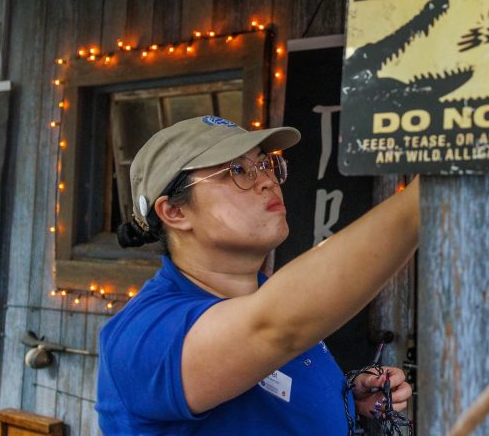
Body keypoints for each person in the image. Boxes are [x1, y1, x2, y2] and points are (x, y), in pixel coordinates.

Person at [96, 115, 418, 435]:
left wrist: (344, 395)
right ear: (175, 212)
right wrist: (426, 195)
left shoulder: (265, 293)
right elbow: (275, 329)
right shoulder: (142, 335)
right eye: (237, 170)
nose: (267, 180)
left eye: (265, 165)